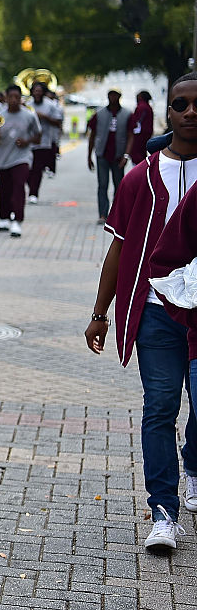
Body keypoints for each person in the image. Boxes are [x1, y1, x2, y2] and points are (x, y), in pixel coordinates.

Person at [86, 71, 197, 552]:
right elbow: (118, 249)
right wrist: (99, 312)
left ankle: (192, 462)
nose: (191, 112)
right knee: (160, 409)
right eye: (181, 104)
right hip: (156, 312)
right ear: (167, 114)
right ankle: (164, 513)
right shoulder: (140, 178)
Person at [0, 85, 41, 238]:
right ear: (5, 98)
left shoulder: (29, 116)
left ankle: (17, 221)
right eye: (10, 97)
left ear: (20, 98)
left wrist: (27, 141)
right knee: (4, 189)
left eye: (16, 97)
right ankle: (4, 217)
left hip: (21, 158)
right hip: (2, 159)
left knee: (19, 187)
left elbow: (38, 136)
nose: (13, 100)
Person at [87, 88, 131, 224]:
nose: (113, 98)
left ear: (119, 96)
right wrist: (89, 156)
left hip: (118, 155)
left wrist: (126, 155)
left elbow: (131, 135)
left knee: (119, 186)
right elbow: (92, 135)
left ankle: (117, 215)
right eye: (110, 95)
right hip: (102, 154)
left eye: (115, 95)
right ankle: (102, 214)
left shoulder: (127, 114)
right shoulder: (99, 114)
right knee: (103, 184)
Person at [26, 81, 64, 204]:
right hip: (28, 142)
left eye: (39, 91)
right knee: (27, 170)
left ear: (43, 92)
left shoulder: (50, 105)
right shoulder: (27, 105)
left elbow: (58, 122)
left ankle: (33, 193)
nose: (37, 93)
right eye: (35, 91)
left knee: (37, 169)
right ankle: (31, 187)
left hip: (43, 142)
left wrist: (45, 117)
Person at [126, 90, 155, 166]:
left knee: (137, 155)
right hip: (145, 135)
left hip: (139, 136)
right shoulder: (148, 107)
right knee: (142, 153)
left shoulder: (141, 107)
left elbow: (137, 122)